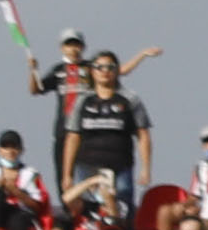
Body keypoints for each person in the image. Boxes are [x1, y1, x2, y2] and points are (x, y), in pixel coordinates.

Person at [62, 53, 153, 213]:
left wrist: (145, 168)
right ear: (92, 71)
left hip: (121, 166)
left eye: (110, 67)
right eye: (99, 67)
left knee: (122, 209)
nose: (105, 71)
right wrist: (67, 174)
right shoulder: (82, 100)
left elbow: (143, 135)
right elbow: (72, 137)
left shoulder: (130, 99)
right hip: (87, 166)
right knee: (87, 210)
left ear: (117, 71)